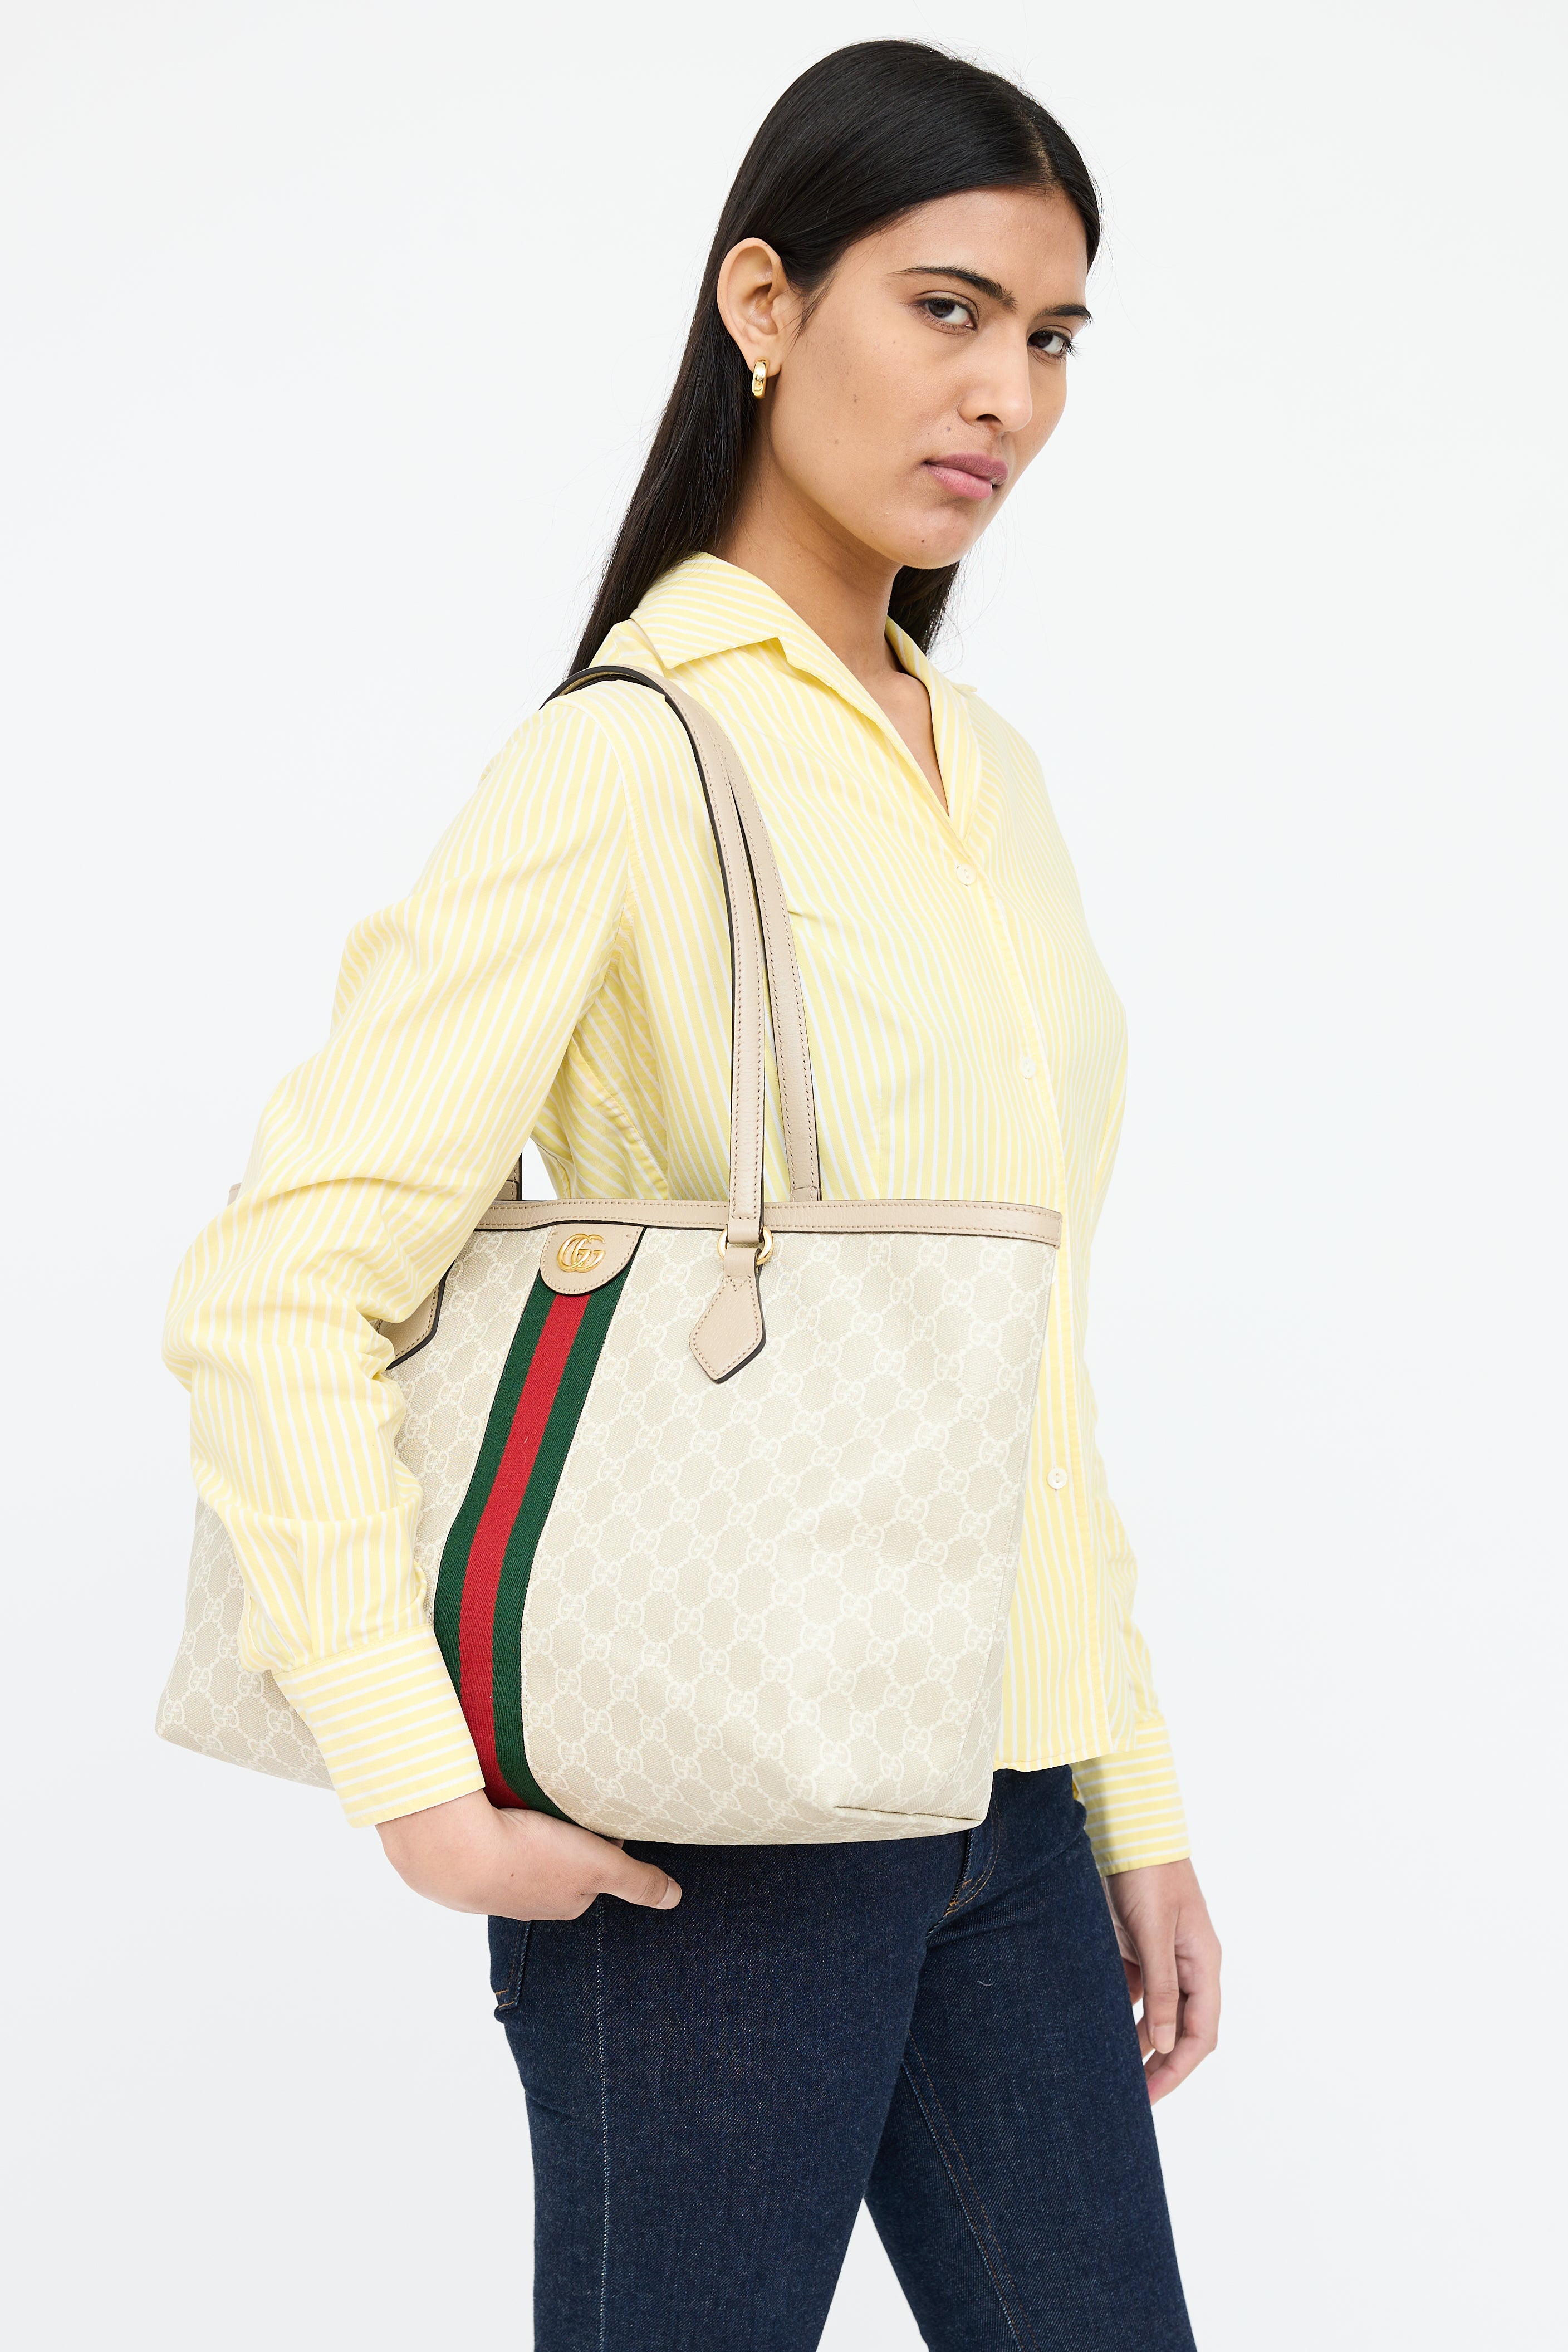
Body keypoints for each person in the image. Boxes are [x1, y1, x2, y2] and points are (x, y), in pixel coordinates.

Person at [165, 37, 1220, 2351]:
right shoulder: (629, 761)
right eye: (945, 309)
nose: (1009, 396)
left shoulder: (988, 775)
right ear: (763, 303)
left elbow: (1024, 1362)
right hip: (716, 1833)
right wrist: (416, 1783)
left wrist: (1122, 1792)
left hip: (1009, 1807)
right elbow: (278, 1284)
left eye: (1052, 338)